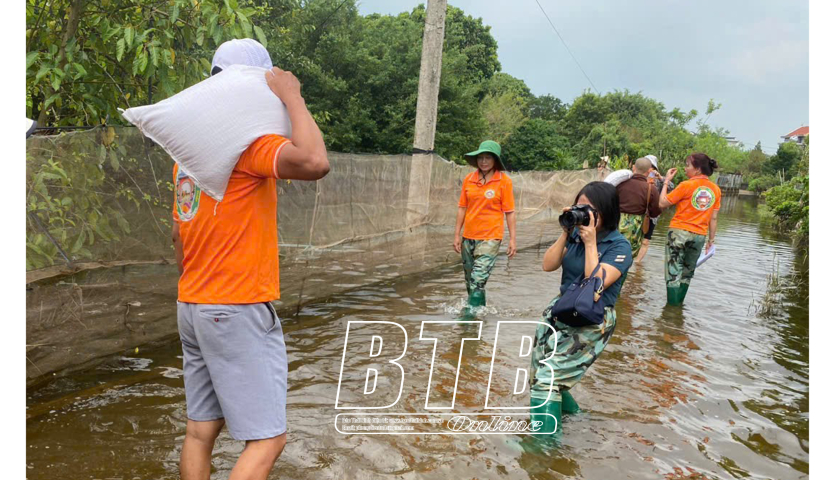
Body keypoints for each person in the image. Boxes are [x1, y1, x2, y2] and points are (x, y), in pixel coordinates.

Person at [172, 39, 329, 480]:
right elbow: (315, 161)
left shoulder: (186, 156)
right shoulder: (248, 144)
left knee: (200, 431)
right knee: (268, 439)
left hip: (192, 304)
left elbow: (178, 234)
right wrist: (293, 96)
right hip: (235, 305)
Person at [529, 182, 633, 433]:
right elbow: (547, 265)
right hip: (561, 309)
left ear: (606, 211)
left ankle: (542, 446)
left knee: (548, 380)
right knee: (539, 375)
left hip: (593, 318)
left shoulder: (619, 247)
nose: (583, 214)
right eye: (579, 207)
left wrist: (590, 243)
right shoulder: (575, 235)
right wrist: (566, 232)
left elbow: (593, 283)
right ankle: (575, 420)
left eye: (589, 209)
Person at [453, 140, 516, 309]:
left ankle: (468, 317)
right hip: (469, 236)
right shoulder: (469, 179)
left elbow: (509, 212)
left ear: (495, 160)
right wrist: (457, 235)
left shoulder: (504, 181)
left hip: (491, 237)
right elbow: (462, 208)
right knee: (470, 282)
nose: (484, 161)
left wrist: (512, 239)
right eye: (480, 157)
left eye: (488, 157)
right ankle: (480, 313)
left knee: (478, 279)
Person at [657, 152, 721, 306]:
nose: (685, 169)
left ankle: (671, 311)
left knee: (673, 272)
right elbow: (713, 218)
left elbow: (662, 203)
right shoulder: (716, 190)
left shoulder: (686, 185)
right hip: (699, 236)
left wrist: (666, 182)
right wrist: (711, 241)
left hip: (678, 232)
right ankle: (678, 309)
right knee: (687, 273)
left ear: (697, 169)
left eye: (688, 165)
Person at [616, 156, 662, 257]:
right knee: (627, 255)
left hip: (616, 222)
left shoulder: (620, 183)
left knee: (612, 251)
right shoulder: (651, 189)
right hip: (635, 228)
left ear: (633, 167)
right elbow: (655, 212)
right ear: (649, 171)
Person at [636, 155, 674, 262]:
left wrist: (661, 178)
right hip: (637, 212)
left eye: (652, 167)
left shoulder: (660, 180)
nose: (650, 169)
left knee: (645, 241)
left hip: (651, 216)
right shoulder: (639, 177)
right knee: (633, 238)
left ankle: (637, 263)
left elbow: (671, 187)